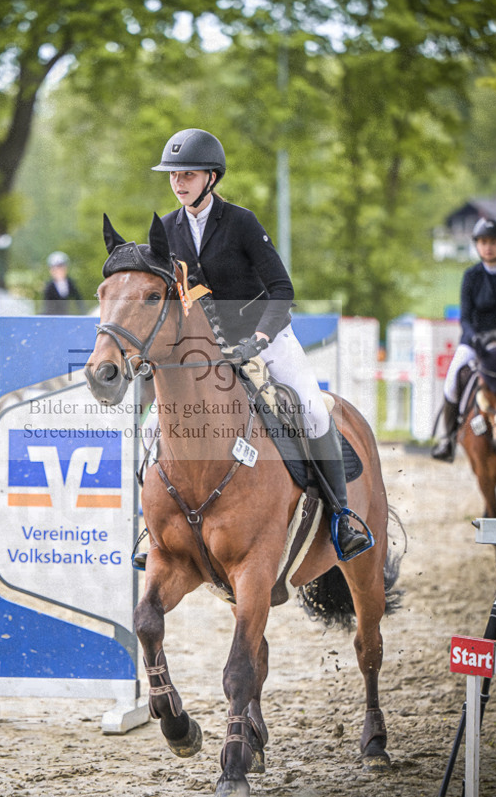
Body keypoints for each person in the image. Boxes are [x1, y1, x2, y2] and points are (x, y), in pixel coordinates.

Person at [148, 127, 371, 561]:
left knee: (310, 409)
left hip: (266, 339)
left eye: (188, 174)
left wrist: (261, 337)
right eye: (173, 175)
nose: (178, 183)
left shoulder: (241, 222)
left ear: (212, 177)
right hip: (207, 352)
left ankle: (343, 517)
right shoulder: (167, 229)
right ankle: (152, 529)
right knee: (151, 424)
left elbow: (281, 288)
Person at [432, 217, 496, 461]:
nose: (488, 247)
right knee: (453, 378)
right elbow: (465, 317)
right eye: (483, 242)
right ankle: (447, 439)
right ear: (477, 245)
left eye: (493, 242)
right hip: (477, 342)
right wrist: (473, 339)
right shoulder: (471, 276)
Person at [42, 251, 84, 315]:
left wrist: (81, 313)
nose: (59, 271)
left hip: (68, 315)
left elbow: (78, 300)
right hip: (53, 317)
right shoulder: (49, 287)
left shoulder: (70, 283)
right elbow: (47, 306)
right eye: (56, 269)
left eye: (61, 268)